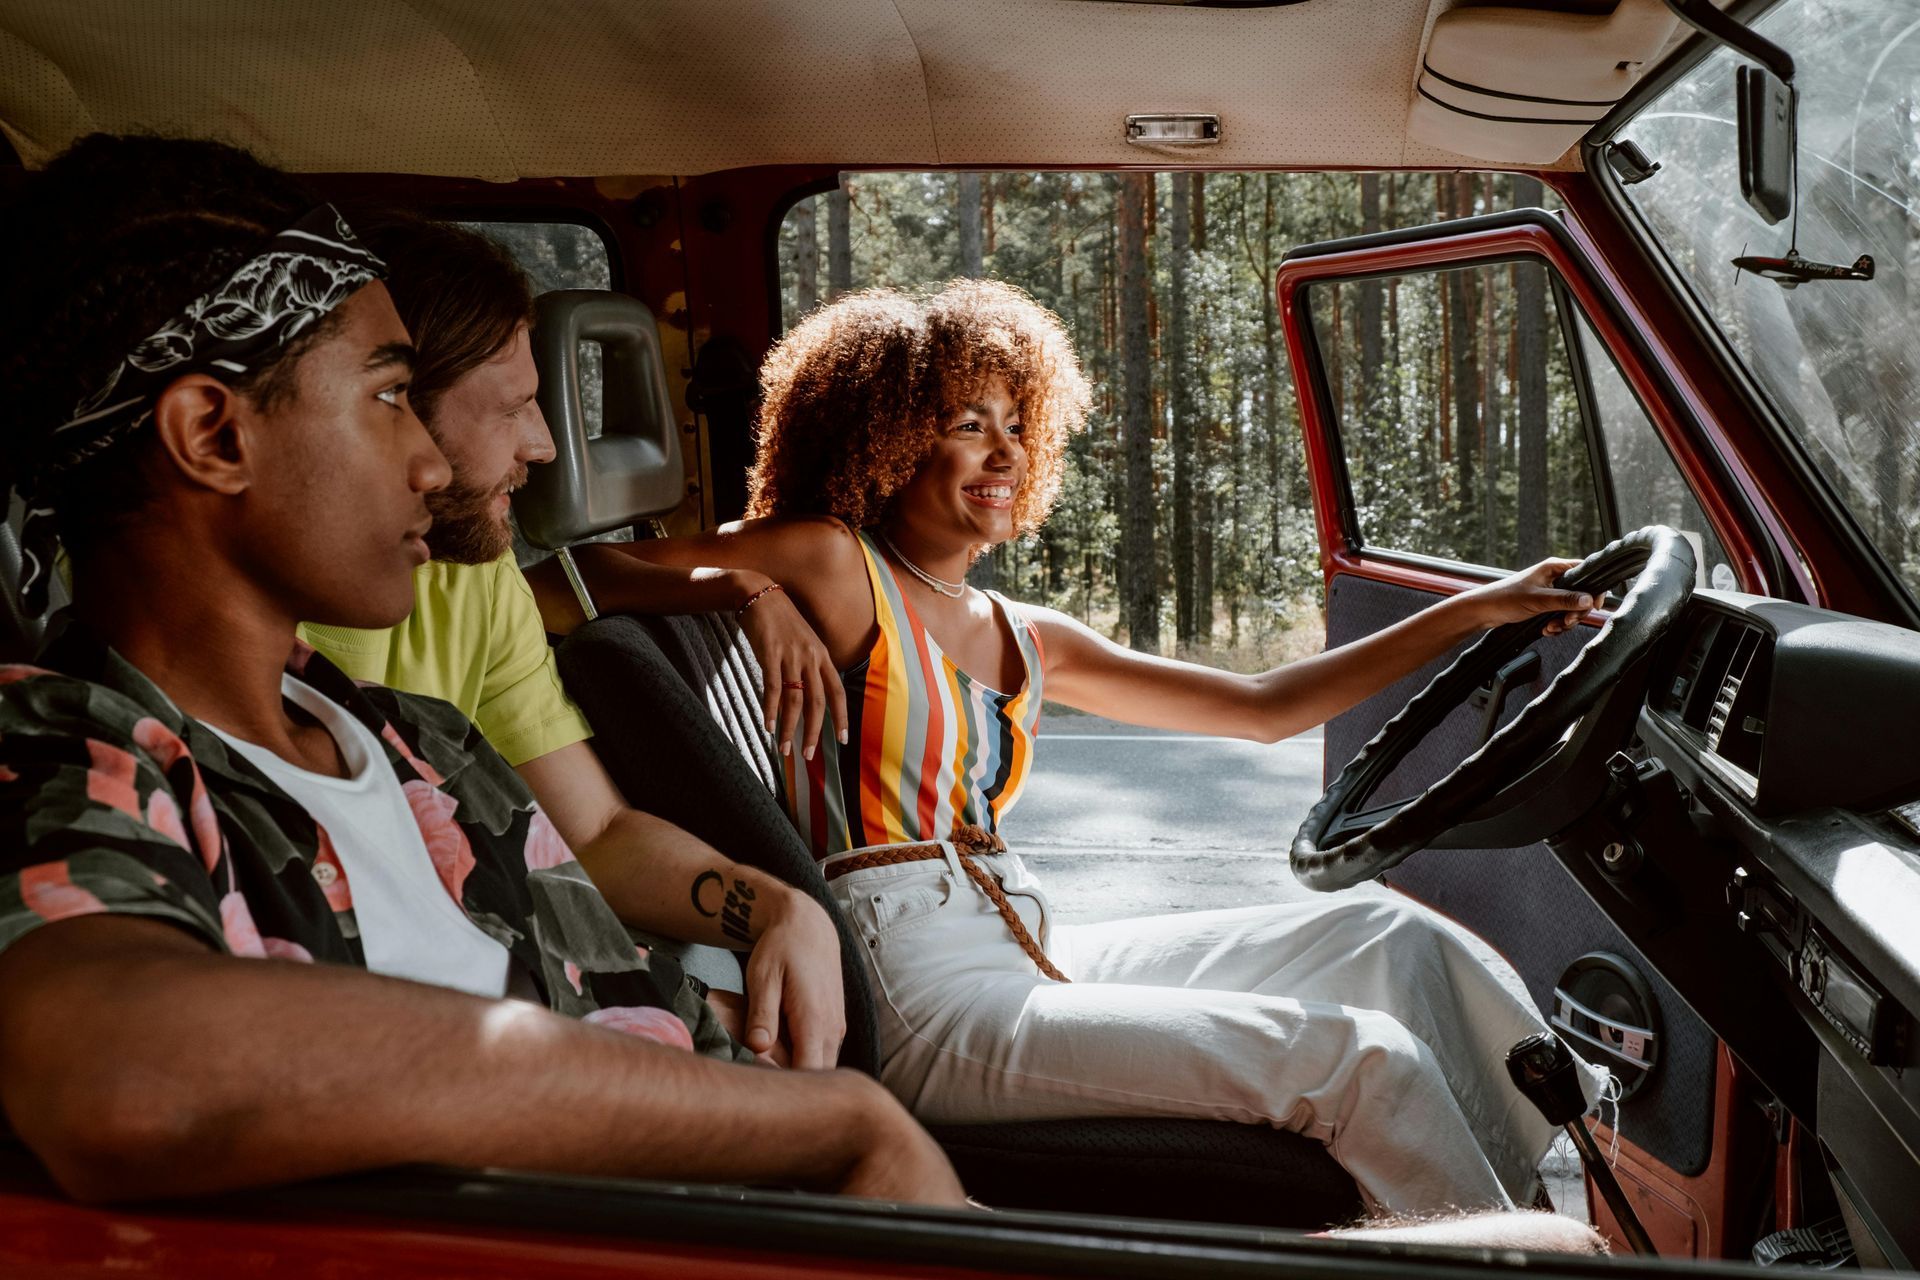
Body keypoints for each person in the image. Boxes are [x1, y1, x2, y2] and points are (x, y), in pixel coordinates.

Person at [0, 133, 962, 1207]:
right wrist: (831, 1123)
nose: (427, 458)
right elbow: (131, 1072)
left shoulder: (427, 744)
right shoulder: (67, 757)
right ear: (213, 437)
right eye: (388, 396)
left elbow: (629, 976)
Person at [532, 280, 1607, 1217]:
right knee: (1358, 1059)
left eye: (1015, 421)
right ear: (885, 433)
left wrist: (1479, 611)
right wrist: (748, 585)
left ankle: (1493, 1209)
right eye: (963, 420)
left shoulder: (1027, 634)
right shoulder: (827, 561)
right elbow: (581, 576)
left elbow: (1266, 705)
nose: (1001, 450)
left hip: (1028, 944)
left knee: (1390, 938)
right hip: (921, 988)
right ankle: (1502, 1250)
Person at [295, 214, 842, 1067]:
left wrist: (776, 908)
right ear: (389, 409)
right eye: (514, 408)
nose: (545, 445)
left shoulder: (472, 574)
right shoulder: (235, 624)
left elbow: (595, 832)